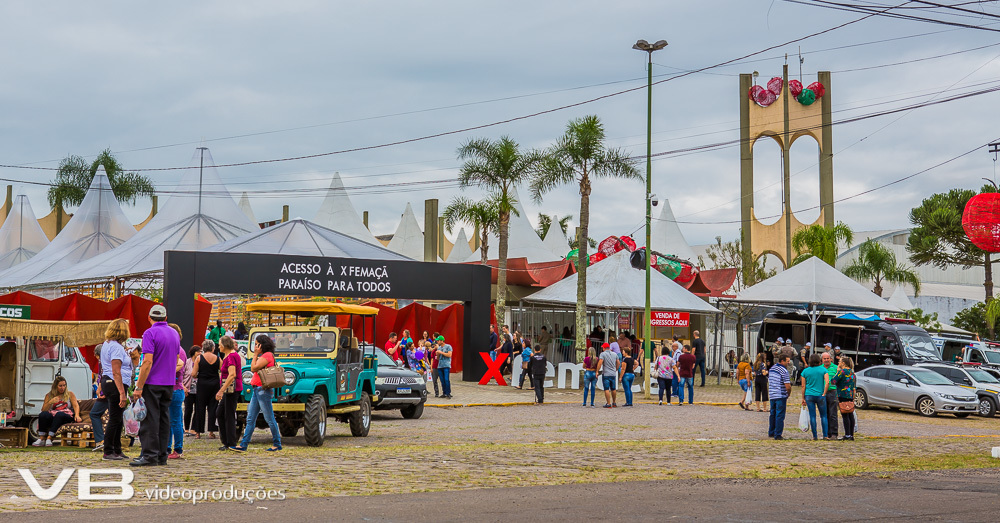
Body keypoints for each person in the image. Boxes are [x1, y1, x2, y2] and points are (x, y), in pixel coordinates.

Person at [130, 304, 181, 467]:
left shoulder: (149, 333)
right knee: (164, 419)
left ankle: (149, 455)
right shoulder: (174, 333)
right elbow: (177, 358)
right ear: (166, 318)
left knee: (150, 419)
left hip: (153, 382)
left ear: (149, 318)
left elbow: (147, 361)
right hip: (169, 383)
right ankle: (161, 455)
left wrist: (138, 386)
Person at [232, 334, 282, 452]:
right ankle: (244, 444)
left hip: (262, 390)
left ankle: (277, 443)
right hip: (257, 389)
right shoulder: (265, 356)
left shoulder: (267, 355)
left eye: (256, 344)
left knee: (269, 417)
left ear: (262, 345)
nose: (255, 346)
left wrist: (255, 354)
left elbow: (253, 368)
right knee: (250, 418)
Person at [97, 321, 134, 459]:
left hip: (109, 382)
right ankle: (108, 450)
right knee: (114, 418)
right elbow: (116, 371)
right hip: (115, 383)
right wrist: (122, 393)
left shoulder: (108, 344)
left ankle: (117, 449)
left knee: (118, 418)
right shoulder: (116, 347)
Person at [32, 376, 81, 447]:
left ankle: (50, 437)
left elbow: (76, 405)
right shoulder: (49, 395)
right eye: (60, 386)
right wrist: (50, 402)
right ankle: (42, 438)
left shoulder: (70, 394)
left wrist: (77, 415)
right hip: (53, 416)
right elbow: (43, 409)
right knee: (43, 414)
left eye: (64, 385)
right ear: (55, 386)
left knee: (59, 414)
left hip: (65, 415)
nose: (62, 388)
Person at [215, 336, 243, 450]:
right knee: (221, 413)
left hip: (231, 390)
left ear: (225, 345)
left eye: (220, 344)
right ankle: (227, 440)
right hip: (230, 389)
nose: (218, 346)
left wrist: (221, 390)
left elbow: (232, 375)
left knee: (229, 415)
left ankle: (230, 442)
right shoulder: (229, 355)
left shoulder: (231, 356)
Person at [167, 323, 187, 459]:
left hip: (174, 388)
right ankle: (168, 448)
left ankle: (177, 449)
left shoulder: (178, 351)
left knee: (175, 421)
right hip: (175, 389)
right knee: (170, 421)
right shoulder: (178, 349)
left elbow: (177, 368)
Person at [192, 339, 220, 439]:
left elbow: (193, 374)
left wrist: (200, 374)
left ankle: (198, 432)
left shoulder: (199, 358)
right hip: (215, 384)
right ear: (213, 348)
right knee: (213, 407)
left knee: (200, 408)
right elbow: (222, 371)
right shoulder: (217, 358)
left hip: (202, 384)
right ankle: (211, 431)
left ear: (203, 348)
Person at [800, 354, 831, 441]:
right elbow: (827, 382)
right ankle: (825, 435)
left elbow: (803, 385)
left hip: (809, 395)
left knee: (812, 416)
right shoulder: (823, 370)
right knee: (824, 416)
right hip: (820, 395)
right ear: (819, 360)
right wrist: (824, 393)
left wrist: (803, 398)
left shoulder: (805, 371)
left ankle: (814, 436)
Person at [832, 356, 857, 441]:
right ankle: (851, 434)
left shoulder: (842, 372)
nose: (838, 363)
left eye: (839, 361)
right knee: (850, 414)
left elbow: (833, 381)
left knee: (845, 414)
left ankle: (847, 434)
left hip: (842, 394)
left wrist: (837, 371)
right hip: (850, 395)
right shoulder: (852, 373)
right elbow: (854, 386)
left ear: (843, 363)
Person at [767, 354, 792, 440]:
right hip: (780, 394)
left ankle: (771, 432)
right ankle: (778, 434)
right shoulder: (783, 370)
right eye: (787, 361)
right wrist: (788, 393)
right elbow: (787, 386)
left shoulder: (772, 368)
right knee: (780, 415)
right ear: (782, 361)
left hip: (772, 394)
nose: (788, 363)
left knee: (772, 414)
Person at [822, 352, 840, 440]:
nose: (826, 360)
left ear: (831, 359)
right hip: (823, 392)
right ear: (822, 360)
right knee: (825, 414)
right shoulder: (820, 368)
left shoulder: (836, 368)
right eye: (824, 359)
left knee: (833, 413)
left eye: (827, 358)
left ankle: (834, 433)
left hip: (832, 392)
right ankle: (827, 433)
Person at [183, 345, 200, 436]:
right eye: (198, 351)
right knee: (188, 410)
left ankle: (193, 428)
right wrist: (183, 387)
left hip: (198, 390)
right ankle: (186, 428)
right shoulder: (187, 362)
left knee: (197, 410)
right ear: (194, 352)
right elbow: (181, 375)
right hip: (188, 389)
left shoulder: (201, 362)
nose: (200, 353)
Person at [599, 342, 620, 408]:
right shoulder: (615, 354)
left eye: (602, 347)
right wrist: (616, 369)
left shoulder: (603, 354)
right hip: (613, 373)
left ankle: (608, 403)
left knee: (606, 389)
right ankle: (614, 402)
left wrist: (597, 370)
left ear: (604, 348)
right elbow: (618, 362)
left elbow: (600, 362)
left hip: (606, 373)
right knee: (613, 388)